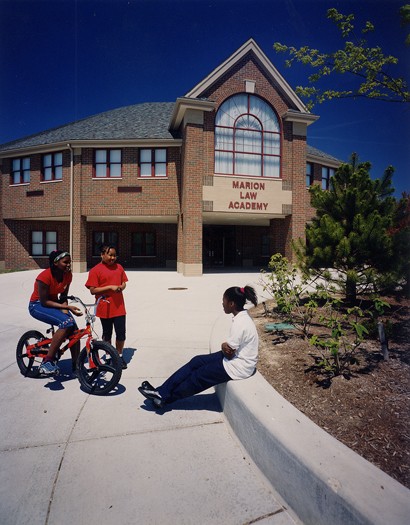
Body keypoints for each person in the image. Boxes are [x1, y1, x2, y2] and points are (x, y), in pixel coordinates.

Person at [138, 285, 258, 409]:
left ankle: (163, 397)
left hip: (239, 367)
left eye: (224, 300)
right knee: (197, 361)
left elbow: (229, 352)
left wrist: (223, 345)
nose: (222, 303)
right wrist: (225, 347)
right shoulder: (242, 317)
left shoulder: (240, 323)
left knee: (199, 376)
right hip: (237, 359)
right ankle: (161, 392)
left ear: (232, 304)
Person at [28, 250, 83, 375]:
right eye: (65, 262)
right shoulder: (44, 277)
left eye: (70, 262)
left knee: (74, 330)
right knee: (66, 323)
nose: (69, 265)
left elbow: (63, 298)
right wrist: (68, 311)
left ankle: (76, 365)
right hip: (37, 305)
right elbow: (44, 302)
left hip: (54, 303)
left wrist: (67, 311)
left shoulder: (68, 275)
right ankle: (47, 362)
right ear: (55, 263)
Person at [85, 244, 128, 369]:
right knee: (107, 333)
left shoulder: (119, 267)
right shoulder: (95, 270)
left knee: (121, 333)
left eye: (114, 255)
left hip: (119, 306)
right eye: (110, 255)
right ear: (102, 255)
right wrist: (110, 287)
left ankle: (119, 355)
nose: (113, 258)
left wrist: (121, 287)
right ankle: (109, 356)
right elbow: (93, 290)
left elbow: (124, 282)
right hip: (105, 307)